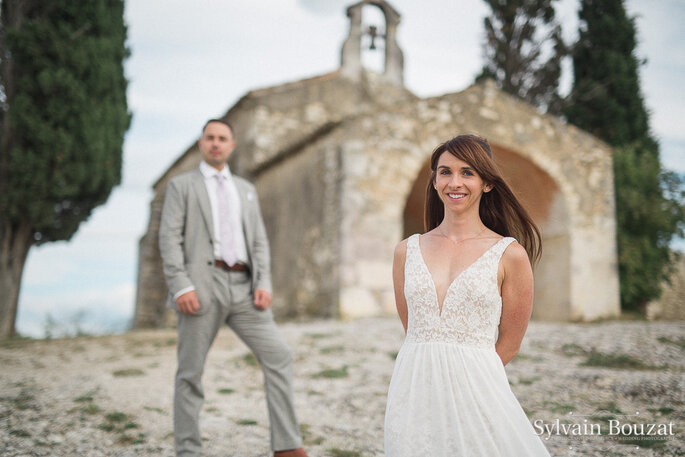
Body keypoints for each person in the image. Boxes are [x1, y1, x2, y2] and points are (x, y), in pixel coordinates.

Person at [384, 134, 550, 456]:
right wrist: (432, 378)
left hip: (478, 390)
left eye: (467, 172)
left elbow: (511, 342)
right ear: (434, 181)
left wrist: (465, 380)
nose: (454, 182)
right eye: (445, 172)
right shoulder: (406, 251)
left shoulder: (509, 255)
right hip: (414, 387)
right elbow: (415, 330)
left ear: (487, 183)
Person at [159, 119, 307, 457]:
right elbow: (168, 238)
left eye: (222, 138)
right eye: (210, 138)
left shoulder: (246, 189)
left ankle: (286, 446)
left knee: (279, 355)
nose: (215, 143)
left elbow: (258, 240)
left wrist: (264, 282)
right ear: (201, 143)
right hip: (200, 287)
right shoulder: (182, 186)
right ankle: (188, 451)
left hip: (244, 288)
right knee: (190, 374)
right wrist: (181, 285)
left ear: (232, 146)